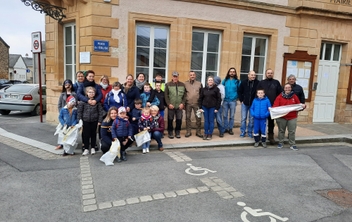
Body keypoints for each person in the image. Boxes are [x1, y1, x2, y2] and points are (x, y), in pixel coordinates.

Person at [273, 83, 306, 150]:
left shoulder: (295, 96)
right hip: (282, 117)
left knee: (292, 131)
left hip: (292, 117)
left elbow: (298, 105)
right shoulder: (279, 97)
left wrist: (303, 106)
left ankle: (292, 144)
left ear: (291, 89)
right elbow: (275, 106)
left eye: (289, 88)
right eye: (286, 88)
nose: (287, 89)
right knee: (281, 131)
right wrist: (272, 109)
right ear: (284, 89)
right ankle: (280, 143)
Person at [257, 68, 282, 145]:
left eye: (271, 73)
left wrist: (277, 104)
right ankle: (260, 136)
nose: (270, 74)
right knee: (262, 121)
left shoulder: (276, 82)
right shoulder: (261, 82)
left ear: (273, 74)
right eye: (268, 73)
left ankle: (271, 137)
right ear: (266, 74)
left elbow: (279, 94)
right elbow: (257, 93)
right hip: (263, 106)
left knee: (271, 122)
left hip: (272, 106)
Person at [78, 86, 104, 156]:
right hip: (85, 120)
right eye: (90, 92)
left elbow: (100, 112)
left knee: (93, 134)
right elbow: (80, 111)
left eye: (93, 92)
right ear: (87, 93)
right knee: (86, 134)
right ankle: (86, 148)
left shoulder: (97, 102)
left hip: (94, 120)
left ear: (95, 93)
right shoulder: (83, 102)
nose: (91, 93)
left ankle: (93, 147)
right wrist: (79, 120)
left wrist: (100, 121)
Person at [56, 79, 77, 150]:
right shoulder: (62, 94)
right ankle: (61, 144)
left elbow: (76, 103)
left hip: (72, 114)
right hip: (64, 114)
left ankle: (69, 144)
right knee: (62, 130)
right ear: (64, 86)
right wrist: (61, 112)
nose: (67, 86)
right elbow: (59, 104)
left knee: (71, 130)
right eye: (66, 85)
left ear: (71, 85)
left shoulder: (74, 94)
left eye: (69, 85)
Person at [164, 71, 186, 139]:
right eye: (174, 76)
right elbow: (166, 95)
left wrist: (183, 103)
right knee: (170, 119)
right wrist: (168, 104)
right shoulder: (168, 84)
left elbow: (185, 95)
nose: (175, 78)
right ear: (172, 77)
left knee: (179, 119)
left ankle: (177, 132)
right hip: (171, 106)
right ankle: (170, 132)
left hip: (179, 106)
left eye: (176, 76)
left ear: (178, 77)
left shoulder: (182, 84)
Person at [238, 70, 259, 138]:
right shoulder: (243, 82)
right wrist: (241, 100)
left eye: (254, 75)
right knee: (243, 118)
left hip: (253, 104)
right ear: (248, 75)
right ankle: (243, 131)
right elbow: (239, 91)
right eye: (252, 75)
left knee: (251, 119)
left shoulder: (258, 83)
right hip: (245, 103)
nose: (253, 76)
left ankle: (250, 132)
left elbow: (259, 92)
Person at [222, 67, 241, 135]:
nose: (232, 73)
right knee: (224, 115)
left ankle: (230, 128)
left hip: (233, 101)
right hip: (225, 100)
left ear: (235, 73)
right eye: (231, 71)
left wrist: (237, 97)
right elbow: (221, 89)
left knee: (232, 116)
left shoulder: (237, 81)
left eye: (233, 72)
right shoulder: (225, 80)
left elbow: (240, 90)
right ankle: (225, 128)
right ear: (229, 72)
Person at [184, 71, 203, 138]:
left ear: (195, 76)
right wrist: (184, 103)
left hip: (197, 104)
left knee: (198, 117)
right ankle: (188, 131)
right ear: (189, 76)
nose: (192, 76)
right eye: (191, 75)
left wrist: (201, 104)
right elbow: (184, 94)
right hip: (188, 104)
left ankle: (198, 132)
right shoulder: (185, 84)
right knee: (188, 117)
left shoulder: (199, 84)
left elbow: (201, 94)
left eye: (193, 75)